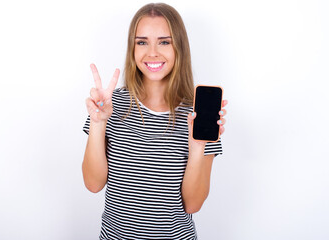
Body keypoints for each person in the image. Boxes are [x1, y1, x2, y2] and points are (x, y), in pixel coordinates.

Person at [82, 3, 227, 239]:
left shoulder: (198, 115)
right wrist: (98, 123)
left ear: (179, 47)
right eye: (142, 42)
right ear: (132, 49)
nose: (152, 52)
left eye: (164, 41)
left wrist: (198, 146)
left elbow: (193, 205)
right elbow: (93, 184)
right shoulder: (109, 104)